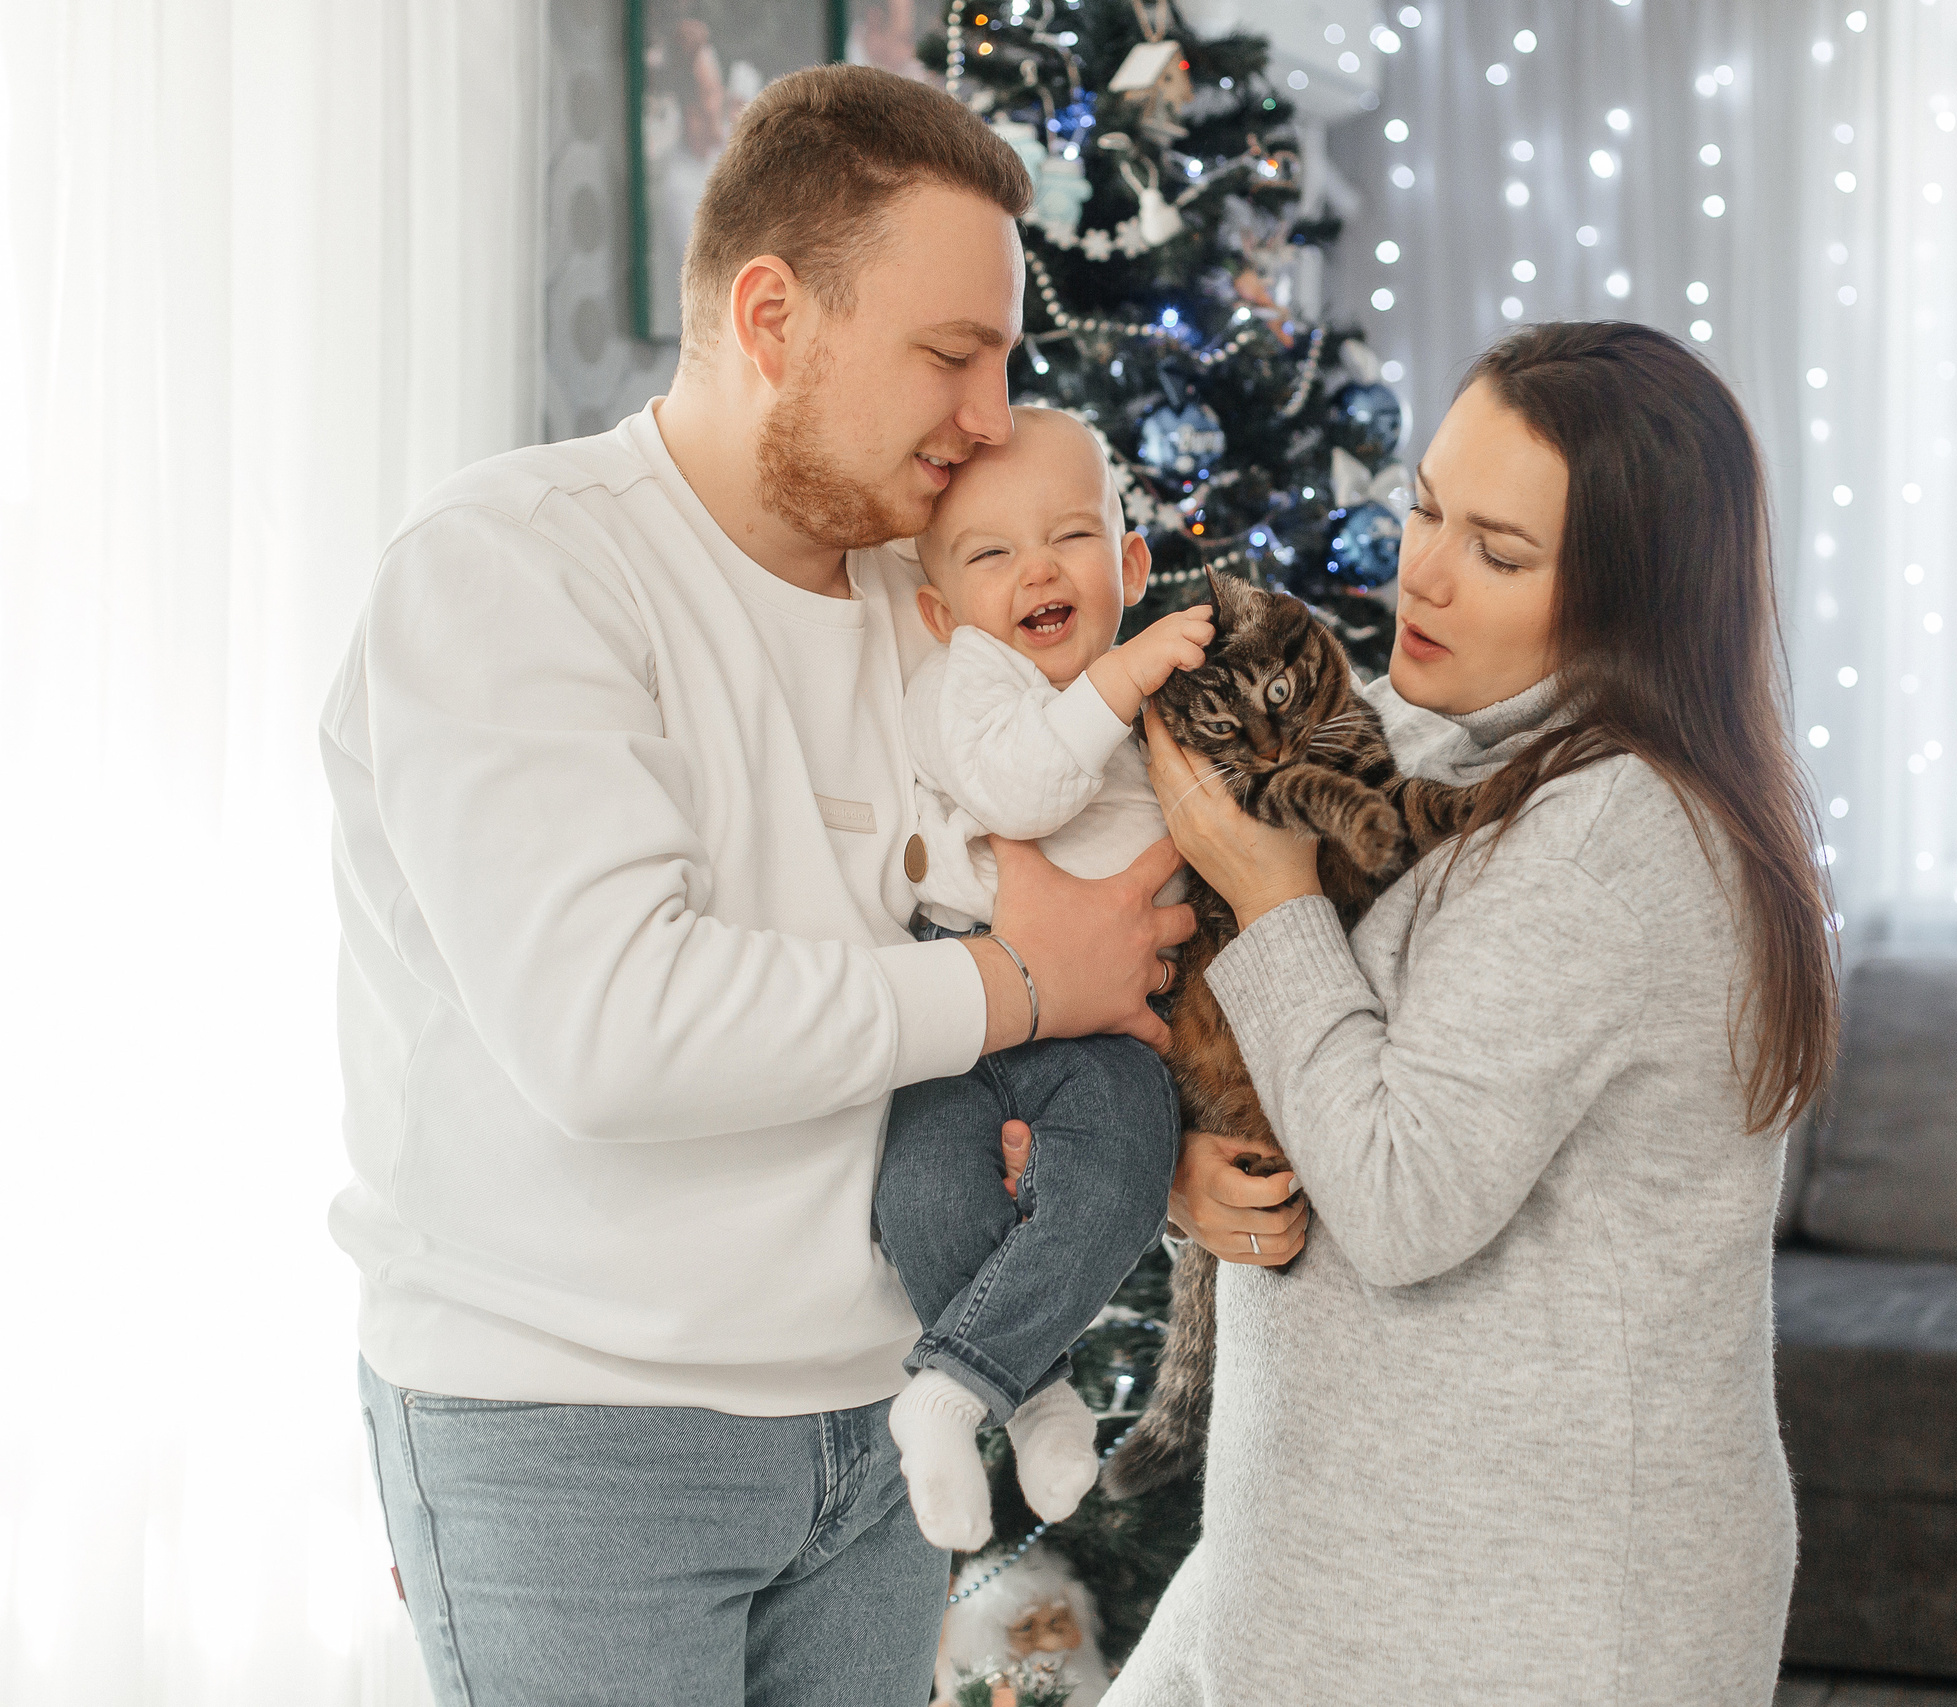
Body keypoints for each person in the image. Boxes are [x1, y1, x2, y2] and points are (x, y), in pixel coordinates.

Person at [321, 65, 1191, 1706]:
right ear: (773, 314)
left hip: (880, 1419)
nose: (994, 418)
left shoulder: (933, 601)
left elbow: (1093, 879)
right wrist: (1021, 981)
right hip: (575, 1429)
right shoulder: (512, 567)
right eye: (951, 354)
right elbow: (617, 1031)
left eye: (1007, 360)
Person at [1110, 321, 1840, 1704]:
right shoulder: (1432, 734)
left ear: (1633, 600)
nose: (1424, 571)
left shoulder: (1614, 836)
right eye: (1427, 508)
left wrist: (1272, 891)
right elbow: (1293, 1068)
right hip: (1323, 1562)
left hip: (1536, 1614)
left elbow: (1397, 1199)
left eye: (1502, 551)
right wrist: (1183, 1173)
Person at [873, 409, 1215, 1553]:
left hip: (1106, 1031)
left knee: (1122, 1171)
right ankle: (1007, 1388)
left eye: (1070, 537)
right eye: (989, 555)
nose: (1036, 571)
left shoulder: (1158, 701)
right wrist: (1118, 679)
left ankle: (989, 1386)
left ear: (1128, 566)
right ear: (939, 610)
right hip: (963, 996)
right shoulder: (965, 682)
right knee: (923, 1195)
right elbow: (1024, 795)